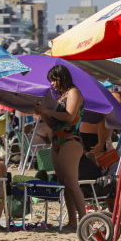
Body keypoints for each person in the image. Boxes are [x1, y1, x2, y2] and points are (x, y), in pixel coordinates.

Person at [34, 64, 86, 230]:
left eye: (54, 80)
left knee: (71, 182)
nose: (53, 84)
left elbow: (70, 117)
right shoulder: (60, 97)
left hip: (70, 140)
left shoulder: (74, 92)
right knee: (65, 183)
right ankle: (72, 221)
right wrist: (43, 113)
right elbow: (53, 124)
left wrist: (48, 111)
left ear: (61, 77)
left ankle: (84, 220)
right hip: (57, 141)